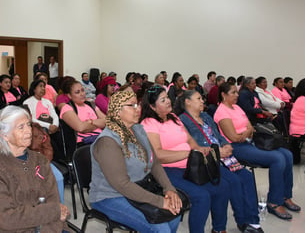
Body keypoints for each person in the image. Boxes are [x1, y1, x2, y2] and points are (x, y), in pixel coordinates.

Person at [140, 86, 229, 233]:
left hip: (190, 165)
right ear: (152, 106)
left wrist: (198, 150)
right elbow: (158, 155)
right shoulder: (149, 123)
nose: (169, 101)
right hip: (166, 170)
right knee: (202, 196)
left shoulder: (174, 118)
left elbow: (189, 139)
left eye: (167, 97)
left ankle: (219, 229)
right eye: (163, 100)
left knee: (222, 187)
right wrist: (188, 153)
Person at [90, 91, 182, 233]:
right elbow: (122, 185)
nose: (138, 108)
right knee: (161, 228)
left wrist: (169, 189)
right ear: (118, 111)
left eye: (137, 104)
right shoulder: (107, 141)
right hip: (110, 195)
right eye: (131, 105)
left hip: (139, 186)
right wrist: (160, 201)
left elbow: (155, 162)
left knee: (174, 213)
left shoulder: (137, 129)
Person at [175, 89, 263, 233]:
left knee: (246, 176)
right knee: (233, 182)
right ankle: (242, 222)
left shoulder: (206, 116)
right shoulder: (182, 120)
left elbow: (218, 135)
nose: (203, 101)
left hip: (224, 155)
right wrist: (217, 152)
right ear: (187, 102)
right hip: (209, 160)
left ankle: (253, 220)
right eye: (198, 98)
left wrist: (226, 145)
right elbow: (193, 144)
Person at [214, 82, 300, 221]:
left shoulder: (237, 107)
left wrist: (246, 133)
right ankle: (274, 201)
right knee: (277, 158)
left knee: (287, 154)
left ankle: (285, 196)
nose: (237, 95)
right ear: (223, 95)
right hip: (236, 148)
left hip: (250, 142)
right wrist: (246, 133)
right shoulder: (222, 112)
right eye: (233, 93)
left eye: (237, 92)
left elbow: (251, 127)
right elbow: (233, 137)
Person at [0, 106, 70, 232]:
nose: (28, 131)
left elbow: (53, 201)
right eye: (21, 127)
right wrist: (53, 211)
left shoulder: (40, 161)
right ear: (4, 135)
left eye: (28, 125)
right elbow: (7, 219)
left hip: (46, 225)